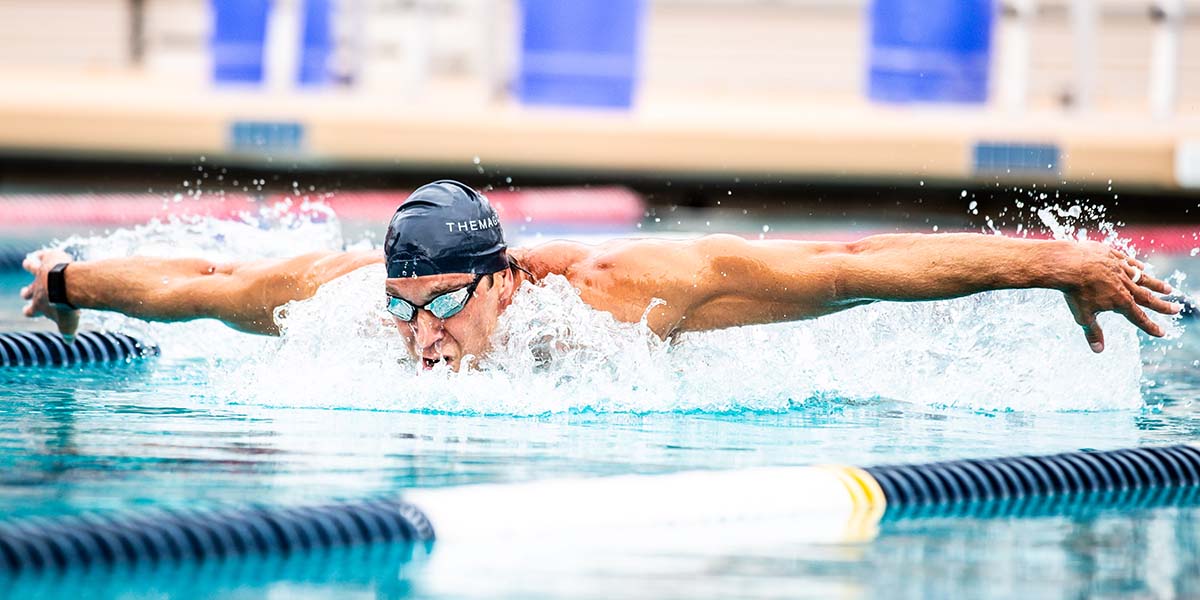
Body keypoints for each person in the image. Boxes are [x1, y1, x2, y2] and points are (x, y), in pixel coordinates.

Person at [19, 179, 1179, 371]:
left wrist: (1052, 262)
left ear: (506, 281)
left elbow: (847, 266)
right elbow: (201, 285)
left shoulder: (623, 290)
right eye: (404, 306)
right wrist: (70, 284)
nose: (422, 335)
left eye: (442, 305)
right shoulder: (349, 308)